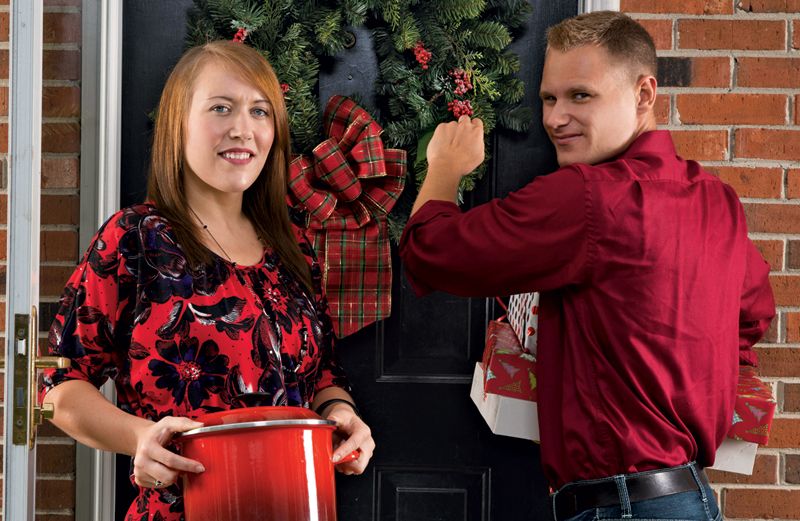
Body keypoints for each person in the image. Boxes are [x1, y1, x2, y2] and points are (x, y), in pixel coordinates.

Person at [400, 11, 775, 521]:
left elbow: (431, 250)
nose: (555, 118)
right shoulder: (717, 200)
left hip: (622, 505)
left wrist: (444, 167)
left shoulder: (588, 196)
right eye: (549, 99)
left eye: (580, 96)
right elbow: (751, 318)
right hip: (691, 498)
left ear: (644, 95)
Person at [41, 40, 375, 520]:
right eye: (222, 107)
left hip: (300, 506)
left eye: (260, 112)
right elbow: (58, 384)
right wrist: (138, 437)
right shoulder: (135, 239)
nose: (243, 129)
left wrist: (342, 416)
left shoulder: (293, 246)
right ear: (178, 124)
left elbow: (323, 375)